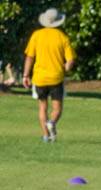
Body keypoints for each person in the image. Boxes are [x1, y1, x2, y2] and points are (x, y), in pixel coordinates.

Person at [22, 8, 75, 143]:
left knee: (42, 107)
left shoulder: (36, 35)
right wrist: (67, 68)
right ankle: (52, 122)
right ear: (58, 22)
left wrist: (25, 75)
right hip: (56, 77)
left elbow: (29, 57)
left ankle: (46, 136)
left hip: (39, 78)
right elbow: (70, 61)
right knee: (57, 108)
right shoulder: (62, 37)